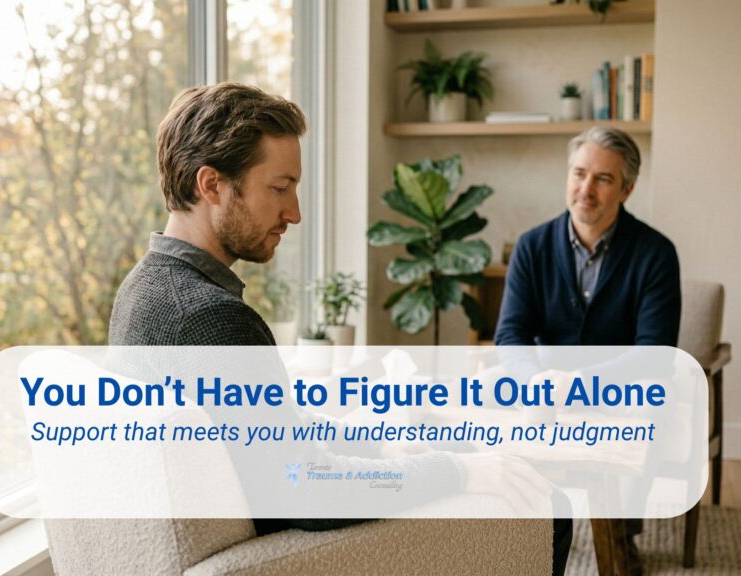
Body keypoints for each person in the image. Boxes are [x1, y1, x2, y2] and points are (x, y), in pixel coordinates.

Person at [108, 83, 560, 568]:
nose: (295, 213)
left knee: (449, 445)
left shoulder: (142, 290)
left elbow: (268, 439)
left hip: (246, 531)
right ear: (212, 184)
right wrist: (456, 473)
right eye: (279, 189)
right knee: (546, 505)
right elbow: (305, 490)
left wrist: (383, 443)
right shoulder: (210, 318)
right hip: (281, 551)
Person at [495, 126, 682, 575]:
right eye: (579, 173)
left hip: (620, 386)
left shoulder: (656, 253)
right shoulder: (532, 247)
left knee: (658, 404)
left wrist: (578, 385)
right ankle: (529, 522)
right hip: (545, 387)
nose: (586, 189)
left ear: (627, 188)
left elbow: (656, 353)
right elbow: (510, 335)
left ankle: (620, 531)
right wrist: (534, 383)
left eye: (603, 179)